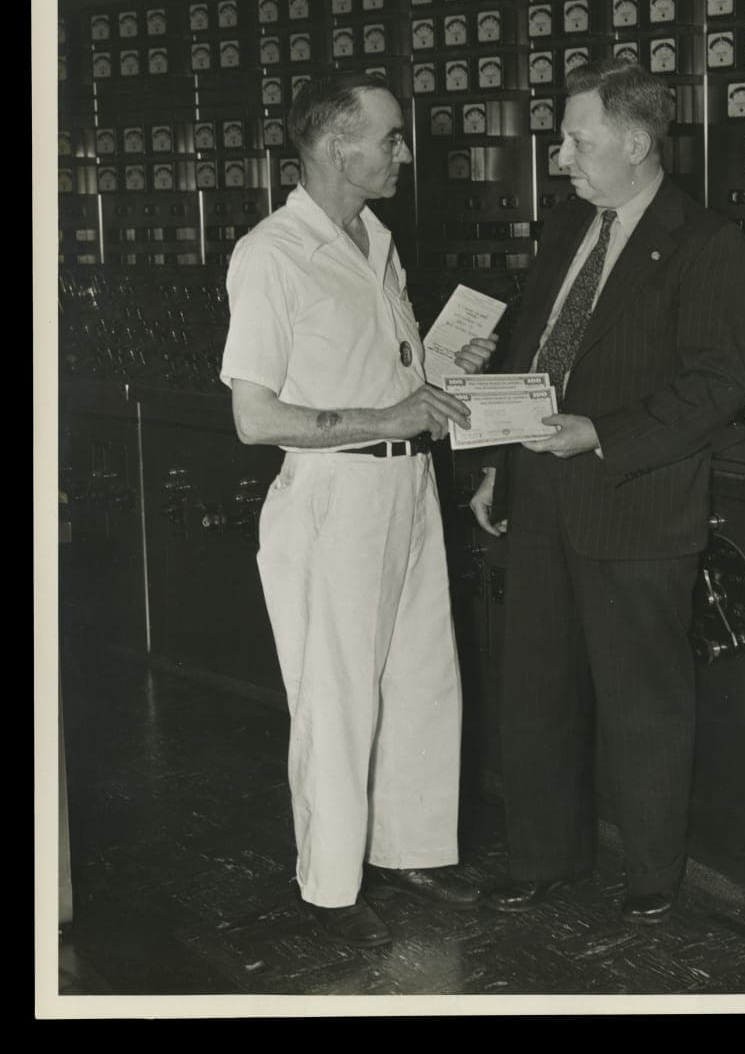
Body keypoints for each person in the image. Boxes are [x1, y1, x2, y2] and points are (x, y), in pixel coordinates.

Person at [470, 60, 745, 924]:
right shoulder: (568, 226)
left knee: (641, 703)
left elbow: (717, 385)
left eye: (575, 140)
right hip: (541, 490)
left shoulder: (706, 243)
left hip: (634, 498)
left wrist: (603, 432)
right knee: (536, 687)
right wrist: (493, 457)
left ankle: (651, 878)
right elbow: (534, 345)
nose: (559, 158)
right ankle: (544, 857)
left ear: (635, 144)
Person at [220, 72, 497, 949]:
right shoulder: (271, 255)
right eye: (390, 138)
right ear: (338, 146)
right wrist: (390, 416)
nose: (403, 153)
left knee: (421, 680)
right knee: (335, 698)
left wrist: (444, 371)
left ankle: (410, 848)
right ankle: (329, 890)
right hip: (333, 497)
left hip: (406, 486)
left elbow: (387, 376)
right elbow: (255, 417)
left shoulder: (373, 238)